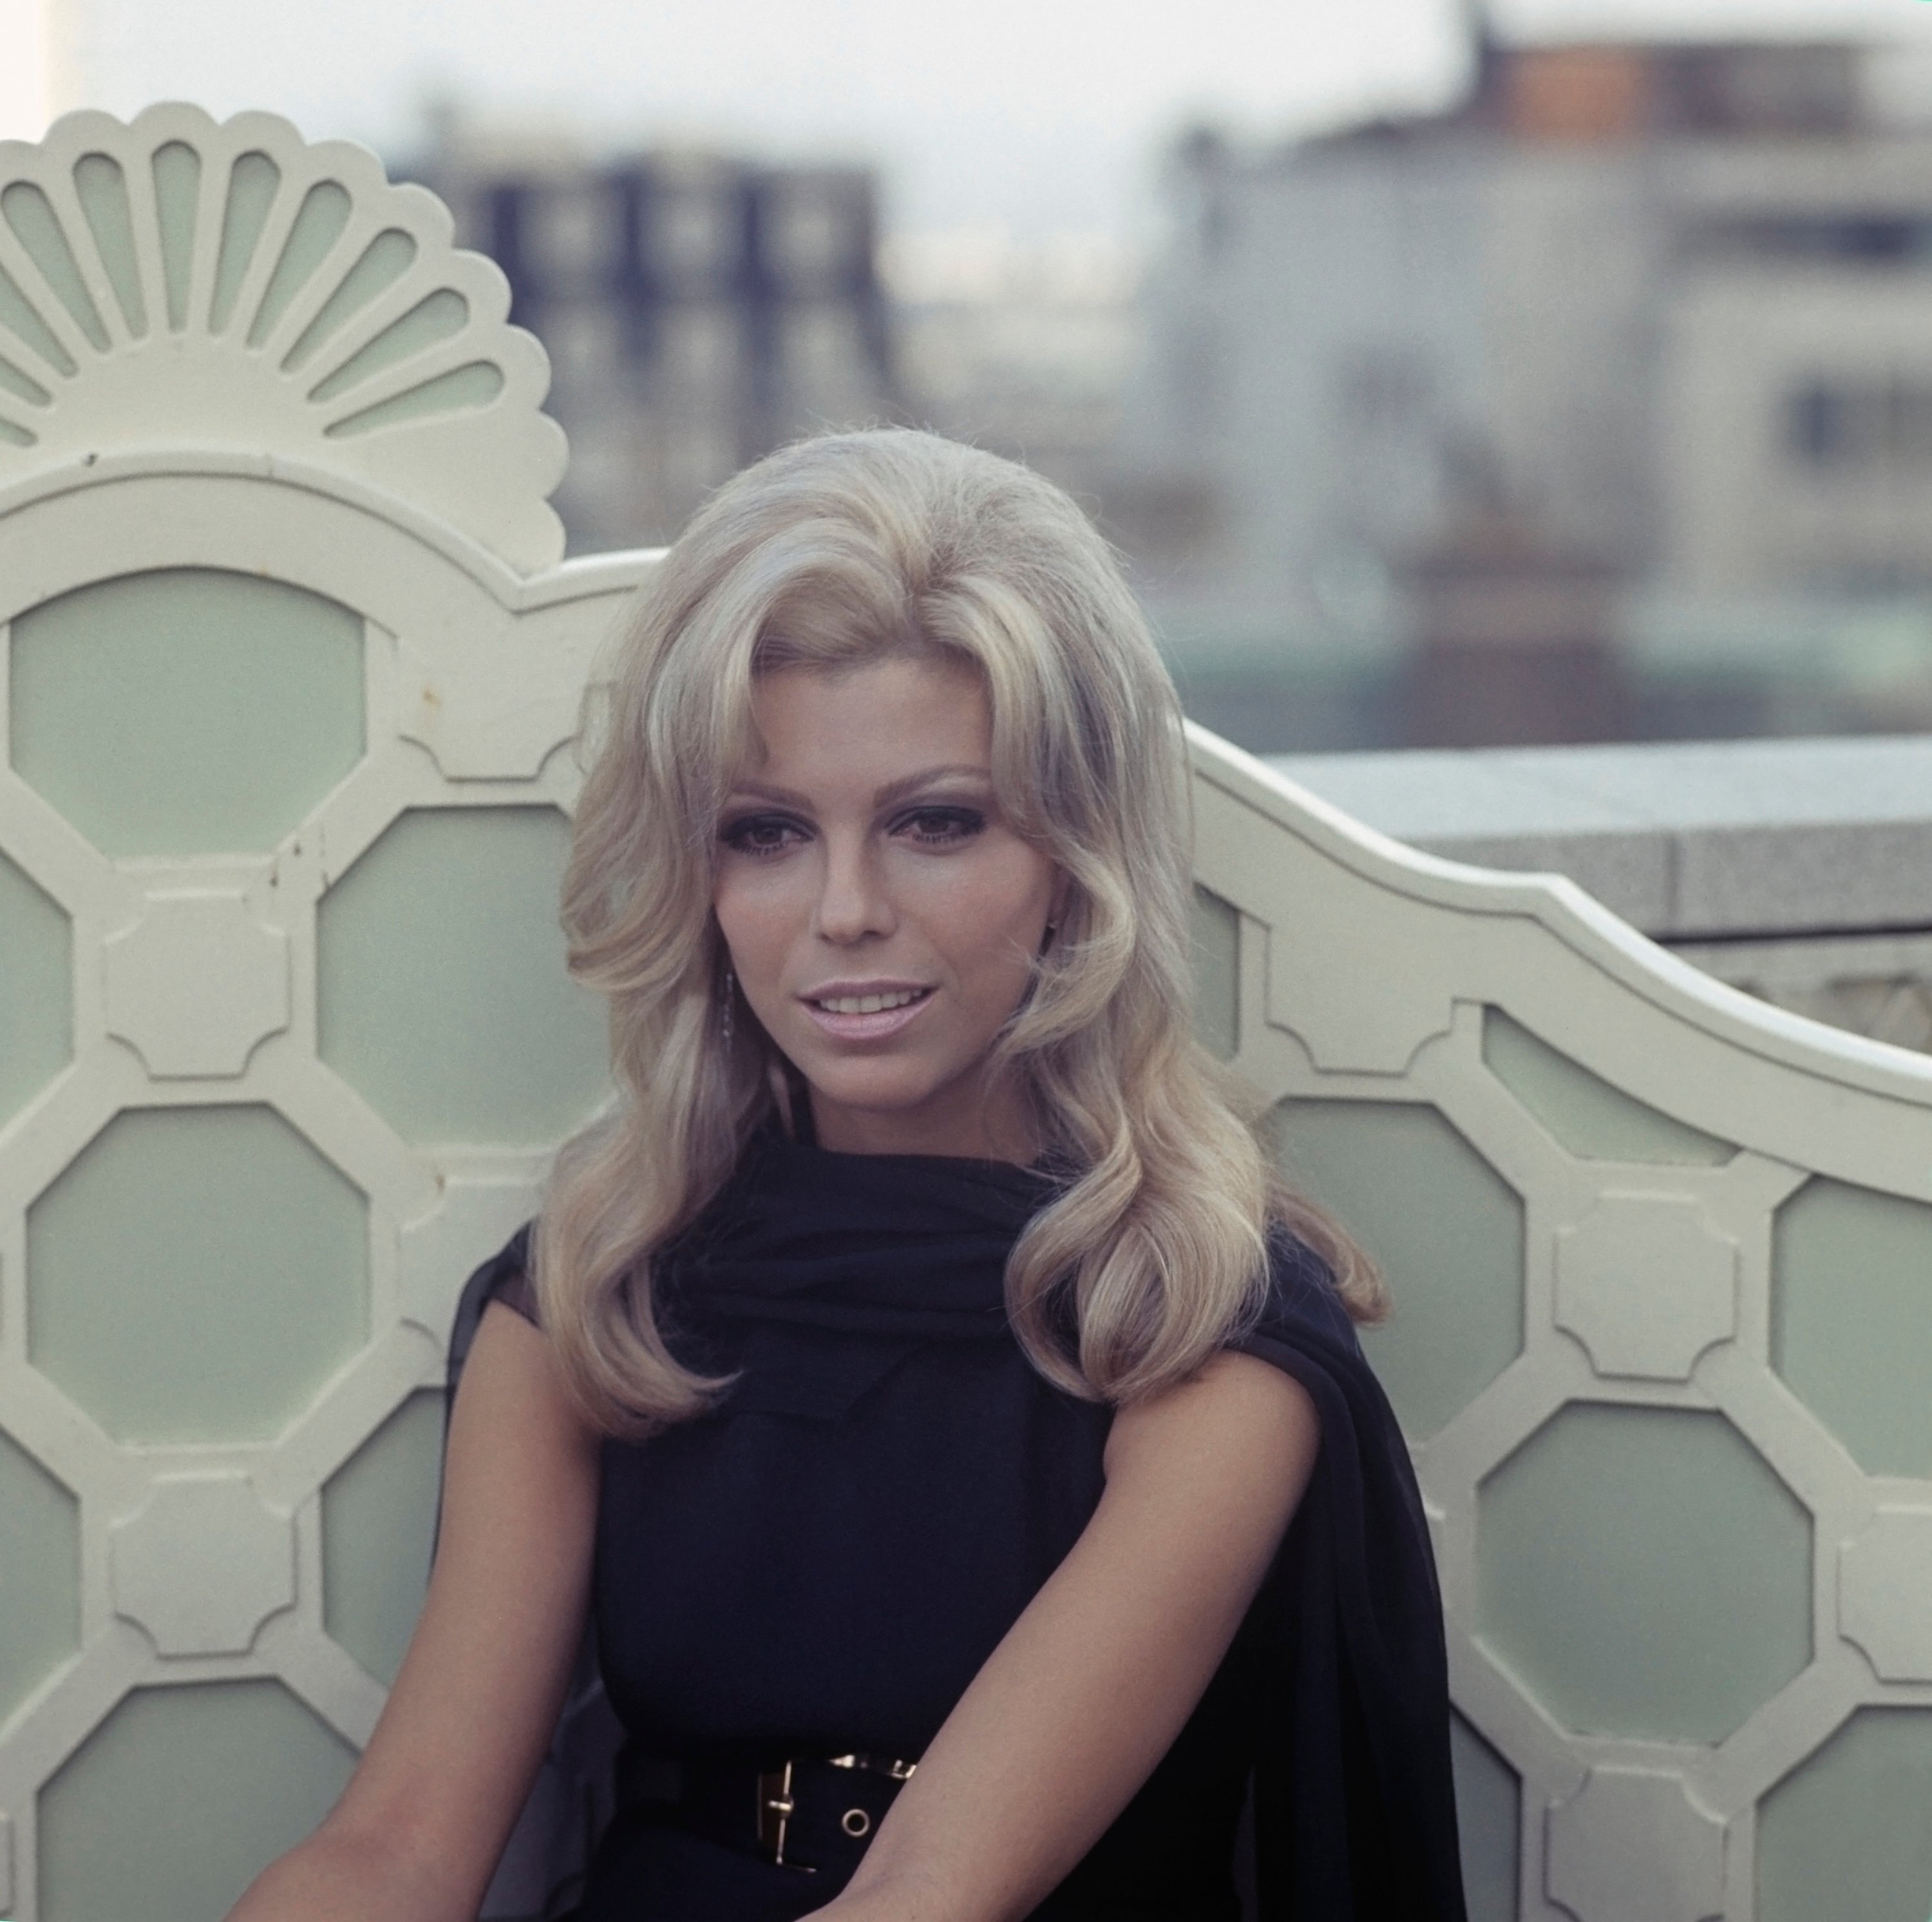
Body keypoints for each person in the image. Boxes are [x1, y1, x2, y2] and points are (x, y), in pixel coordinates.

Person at [229, 428, 1467, 1922]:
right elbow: (399, 1849)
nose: (846, 912)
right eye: (766, 834)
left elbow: (929, 1900)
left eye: (935, 822)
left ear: (1077, 861)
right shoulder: (598, 1297)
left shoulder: (1202, 1334)